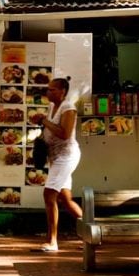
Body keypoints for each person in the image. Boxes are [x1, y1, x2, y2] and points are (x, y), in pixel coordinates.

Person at [32, 77, 82, 252]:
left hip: (66, 157)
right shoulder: (52, 106)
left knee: (49, 195)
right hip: (55, 157)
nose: (48, 92)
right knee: (65, 199)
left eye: (52, 89)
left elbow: (65, 134)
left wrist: (44, 121)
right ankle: (94, 232)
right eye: (47, 89)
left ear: (62, 92)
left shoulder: (69, 108)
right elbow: (51, 129)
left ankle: (52, 241)